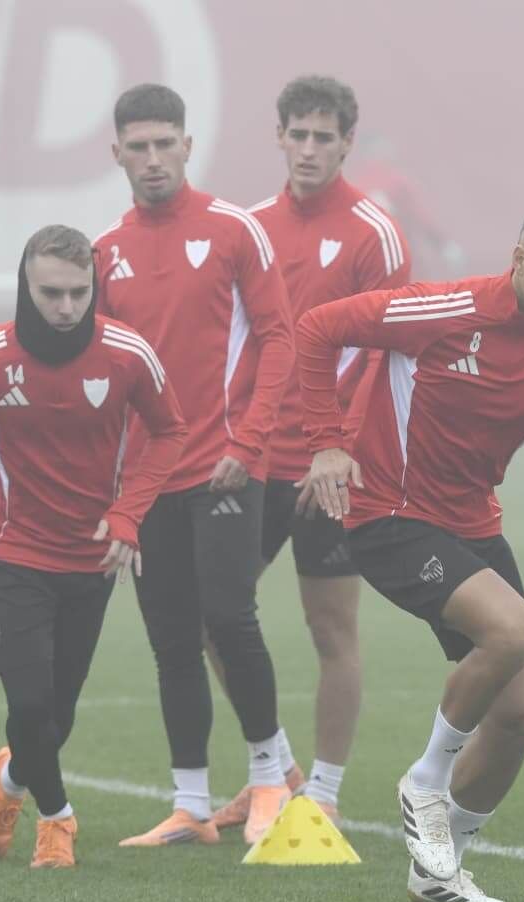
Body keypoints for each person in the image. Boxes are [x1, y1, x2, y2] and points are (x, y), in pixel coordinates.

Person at [295, 196, 524, 902]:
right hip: (389, 514)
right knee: (513, 629)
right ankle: (426, 781)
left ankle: (437, 865)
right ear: (520, 259)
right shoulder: (442, 311)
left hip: (472, 522)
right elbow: (319, 328)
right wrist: (327, 440)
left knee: (517, 721)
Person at [0, 225, 186, 869]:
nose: (67, 307)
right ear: (25, 283)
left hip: (92, 558)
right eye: (51, 293)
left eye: (79, 292)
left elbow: (170, 431)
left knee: (54, 717)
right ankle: (57, 820)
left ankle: (10, 784)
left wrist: (129, 513)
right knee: (32, 703)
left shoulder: (128, 354)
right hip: (11, 551)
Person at [95, 83, 296, 847]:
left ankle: (272, 783)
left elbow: (280, 337)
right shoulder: (105, 252)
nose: (153, 159)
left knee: (229, 619)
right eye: (137, 147)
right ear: (117, 154)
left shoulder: (234, 230)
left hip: (226, 470)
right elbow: (109, 380)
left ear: (187, 144)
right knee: (172, 638)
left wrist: (249, 444)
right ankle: (190, 805)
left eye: (164, 143)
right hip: (150, 484)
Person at [210, 75, 412, 832]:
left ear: (347, 143)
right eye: (297, 134)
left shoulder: (374, 232)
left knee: (331, 629)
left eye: (324, 136)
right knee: (215, 612)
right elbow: (235, 341)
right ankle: (274, 768)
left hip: (333, 466)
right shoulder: (251, 228)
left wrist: (338, 448)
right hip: (255, 458)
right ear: (279, 137)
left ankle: (321, 793)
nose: (308, 149)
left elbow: (386, 353)